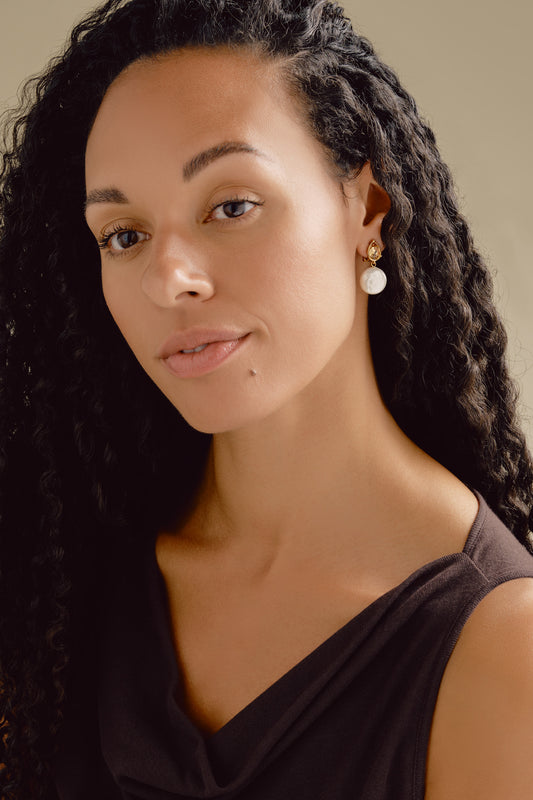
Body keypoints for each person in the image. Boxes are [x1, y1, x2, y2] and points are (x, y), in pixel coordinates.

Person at [1, 0, 533, 797]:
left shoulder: (499, 656)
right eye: (124, 234)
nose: (167, 277)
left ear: (367, 212)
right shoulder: (58, 571)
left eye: (231, 206)